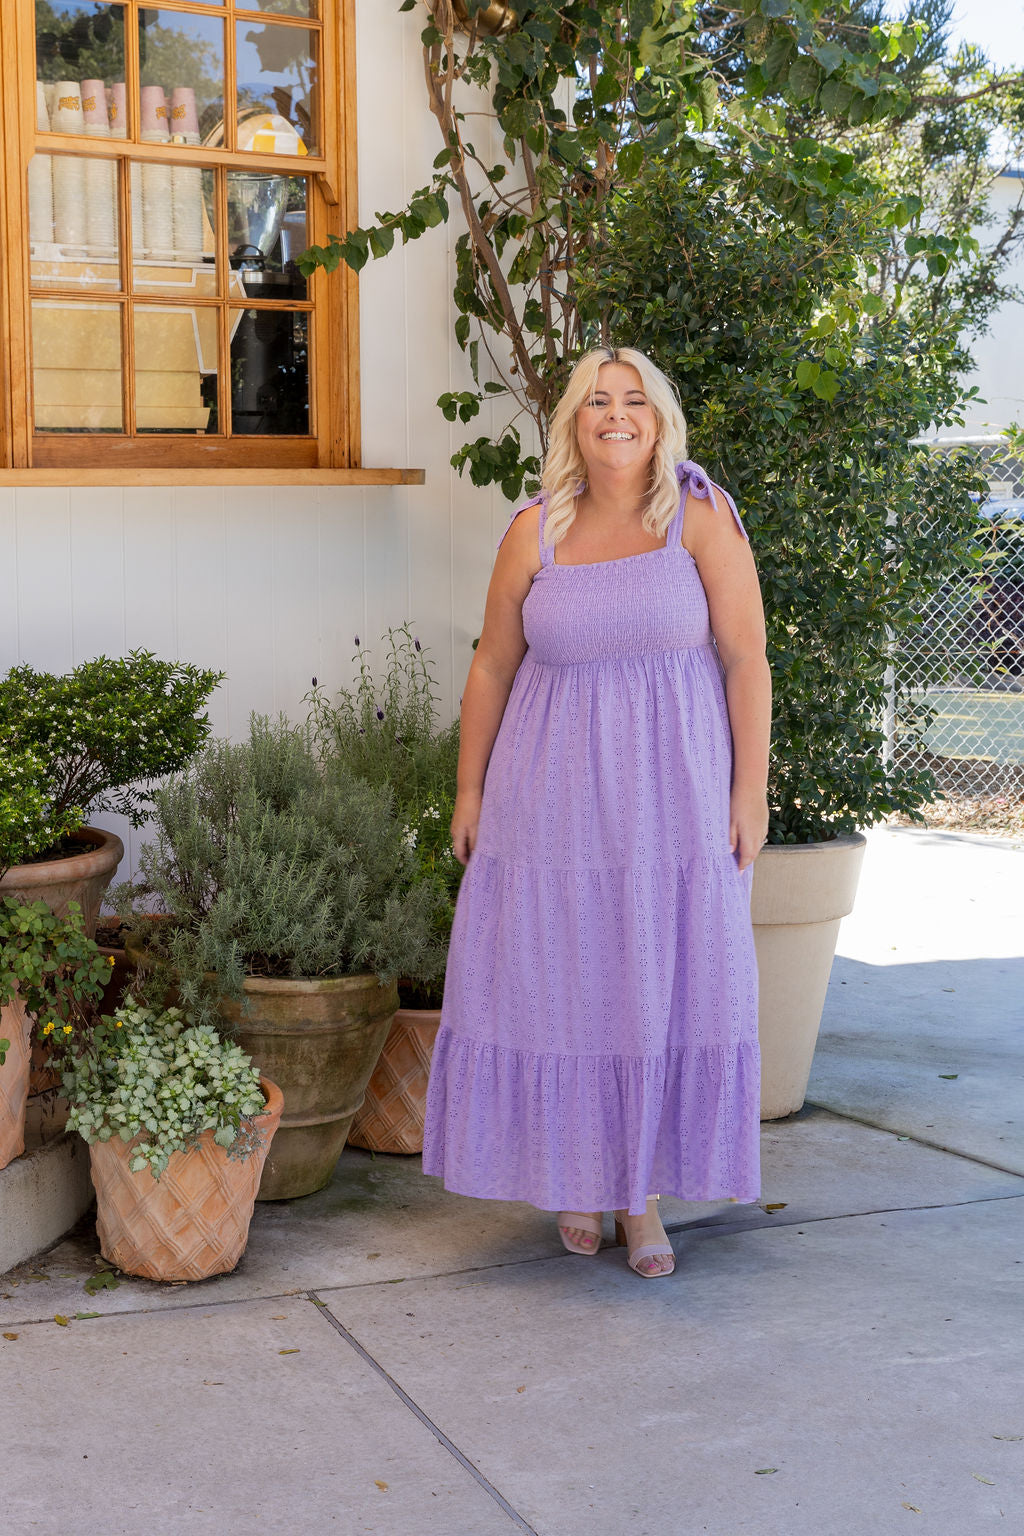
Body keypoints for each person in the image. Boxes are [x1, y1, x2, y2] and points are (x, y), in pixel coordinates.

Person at [421, 346, 771, 1278]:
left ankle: (639, 1195)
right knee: (564, 979)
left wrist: (750, 790)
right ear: (574, 422)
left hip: (674, 807)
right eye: (596, 402)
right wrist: (469, 789)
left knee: (655, 983)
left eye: (635, 402)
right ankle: (579, 1178)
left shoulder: (699, 521)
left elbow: (746, 660)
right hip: (550, 808)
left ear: (659, 421)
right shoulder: (531, 531)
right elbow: (492, 665)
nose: (616, 416)